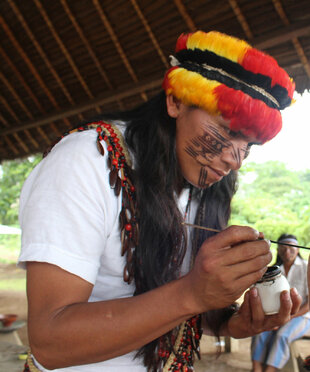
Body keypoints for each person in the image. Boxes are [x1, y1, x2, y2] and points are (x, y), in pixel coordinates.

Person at [18, 31, 301, 372]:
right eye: (226, 131)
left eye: (249, 145)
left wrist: (228, 322)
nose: (235, 159)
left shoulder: (204, 181)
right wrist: (193, 293)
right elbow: (49, 342)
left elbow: (173, 308)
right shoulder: (87, 161)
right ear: (176, 101)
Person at [251, 234, 310, 372]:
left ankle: (270, 370)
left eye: (291, 247)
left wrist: (286, 319)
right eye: (283, 247)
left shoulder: (306, 268)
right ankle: (256, 368)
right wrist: (278, 320)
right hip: (279, 316)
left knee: (282, 335)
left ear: (298, 250)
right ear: (277, 250)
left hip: (304, 317)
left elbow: (308, 305)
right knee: (259, 331)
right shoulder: (273, 271)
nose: (287, 251)